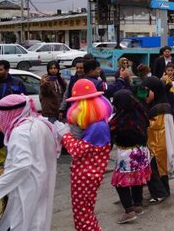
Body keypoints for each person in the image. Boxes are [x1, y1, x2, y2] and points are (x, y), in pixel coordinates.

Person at [0, 94, 60, 231]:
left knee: (22, 222)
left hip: (26, 186)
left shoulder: (20, 132)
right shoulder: (39, 123)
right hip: (40, 181)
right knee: (37, 221)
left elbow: (22, 165)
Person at [61, 78, 114, 231]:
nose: (75, 107)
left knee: (83, 214)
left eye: (77, 104)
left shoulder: (97, 127)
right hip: (86, 175)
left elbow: (77, 150)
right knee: (83, 213)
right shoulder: (96, 124)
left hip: (86, 176)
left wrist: (65, 135)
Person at [141, 76, 174, 204]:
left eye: (146, 91)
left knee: (155, 170)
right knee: (159, 170)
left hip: (158, 144)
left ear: (155, 90)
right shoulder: (157, 104)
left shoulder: (161, 108)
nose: (144, 95)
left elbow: (158, 128)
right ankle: (163, 191)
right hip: (157, 144)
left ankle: (159, 193)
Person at [109, 90, 152, 224]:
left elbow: (112, 137)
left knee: (120, 183)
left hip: (127, 154)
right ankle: (138, 205)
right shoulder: (140, 114)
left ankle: (129, 211)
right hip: (142, 152)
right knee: (137, 178)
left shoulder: (117, 120)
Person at [0, 60, 25, 164]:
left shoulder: (17, 83)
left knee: (13, 144)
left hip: (13, 121)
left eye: (0, 69)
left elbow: (24, 101)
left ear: (7, 70)